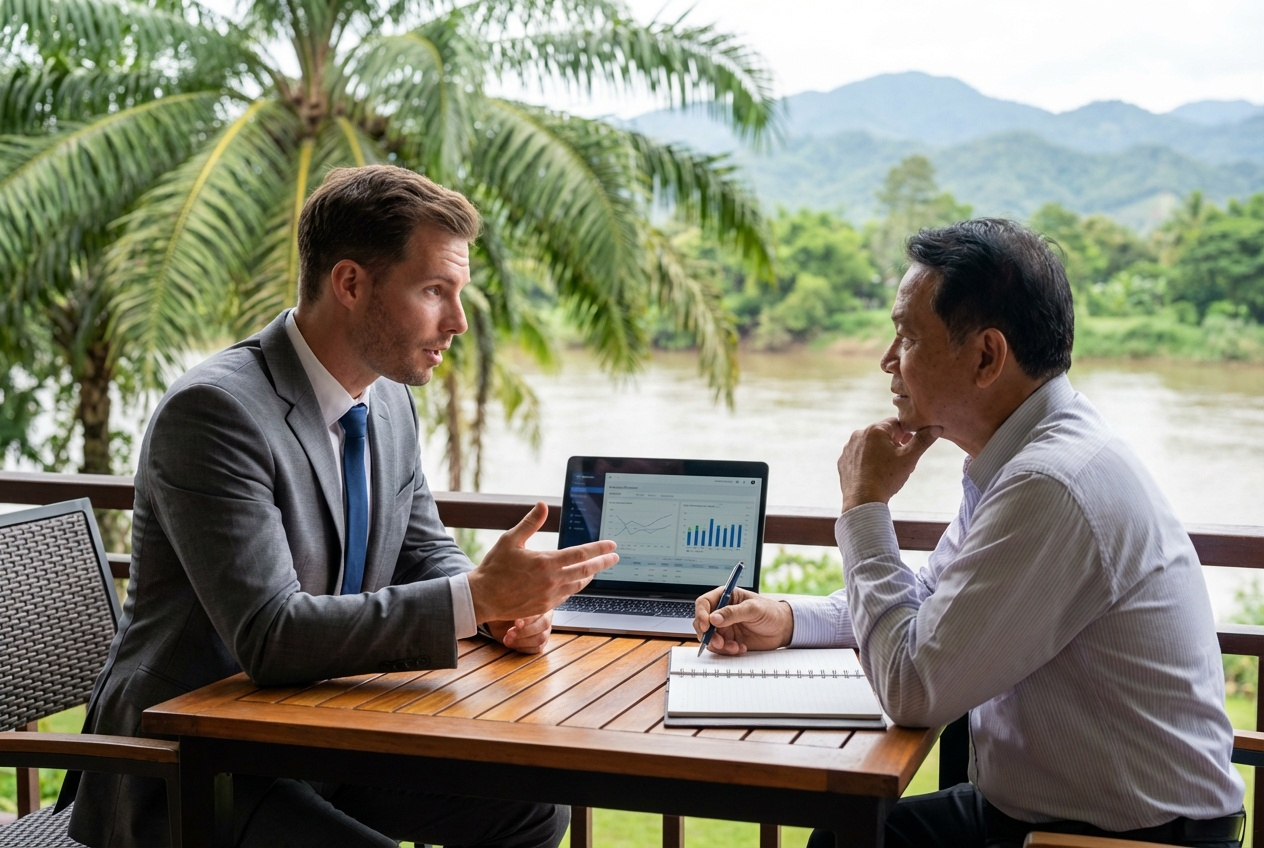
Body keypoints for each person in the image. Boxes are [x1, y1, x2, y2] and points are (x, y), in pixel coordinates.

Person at [66, 164, 619, 848]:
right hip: (192, 760)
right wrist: (472, 599)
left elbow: (422, 550)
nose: (459, 320)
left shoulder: (387, 400)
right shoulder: (214, 413)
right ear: (351, 283)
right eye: (433, 290)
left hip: (319, 730)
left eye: (459, 293)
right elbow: (270, 634)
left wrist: (499, 611)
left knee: (533, 810)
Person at [694, 218, 1245, 848]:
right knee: (844, 838)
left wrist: (863, 505)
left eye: (906, 337)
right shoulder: (1024, 453)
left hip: (1123, 839)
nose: (886, 361)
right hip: (1044, 814)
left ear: (986, 356)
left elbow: (912, 687)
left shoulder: (1050, 483)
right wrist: (789, 617)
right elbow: (932, 600)